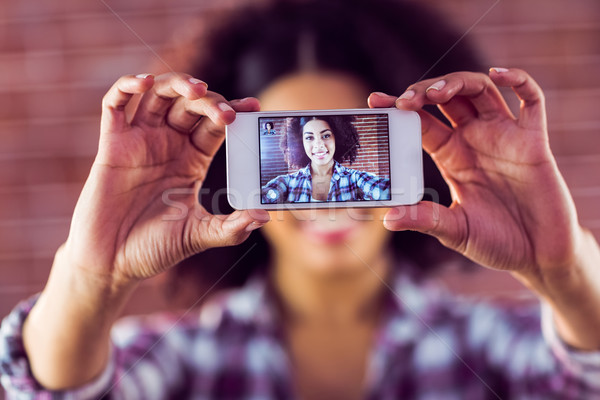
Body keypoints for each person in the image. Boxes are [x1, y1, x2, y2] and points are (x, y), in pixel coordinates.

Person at [2, 0, 600, 399]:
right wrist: (90, 275)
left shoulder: (487, 346)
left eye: (329, 130)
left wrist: (564, 268)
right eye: (301, 133)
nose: (326, 213)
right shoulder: (181, 357)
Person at [262, 115, 390, 203]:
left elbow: (386, 191)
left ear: (337, 138)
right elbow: (263, 198)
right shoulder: (286, 183)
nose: (319, 145)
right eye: (309, 138)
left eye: (326, 135)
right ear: (301, 143)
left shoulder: (357, 180)